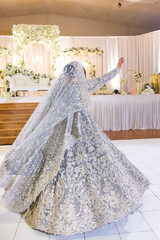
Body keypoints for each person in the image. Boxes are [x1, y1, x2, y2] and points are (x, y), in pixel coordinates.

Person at [0, 58, 150, 236]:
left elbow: (52, 111)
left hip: (74, 133)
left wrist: (116, 69)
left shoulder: (64, 88)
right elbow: (100, 80)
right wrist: (117, 69)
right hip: (74, 134)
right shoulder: (73, 88)